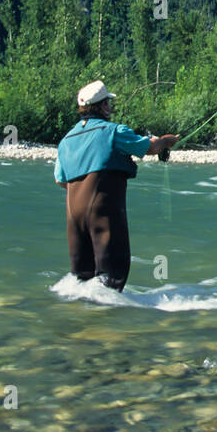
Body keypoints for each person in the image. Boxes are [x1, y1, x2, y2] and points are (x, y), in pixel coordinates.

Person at [54, 80, 178, 291]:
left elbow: (60, 180)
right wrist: (166, 140)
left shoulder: (66, 140)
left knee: (81, 279)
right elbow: (148, 147)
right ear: (102, 106)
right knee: (111, 278)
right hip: (102, 211)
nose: (110, 108)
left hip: (73, 216)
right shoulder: (114, 131)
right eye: (108, 104)